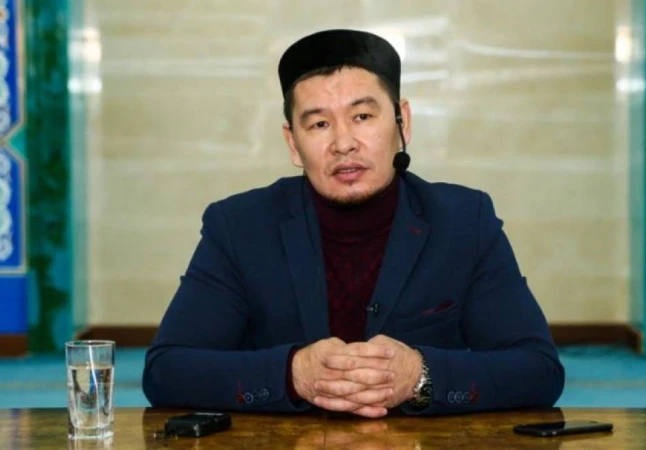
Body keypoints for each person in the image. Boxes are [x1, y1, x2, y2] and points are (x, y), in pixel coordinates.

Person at [142, 29, 564, 417]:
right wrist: (292, 374)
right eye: (319, 124)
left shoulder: (464, 220)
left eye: (362, 117)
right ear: (293, 143)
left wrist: (419, 375)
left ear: (402, 122)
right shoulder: (239, 226)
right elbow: (166, 371)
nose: (343, 143)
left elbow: (538, 370)